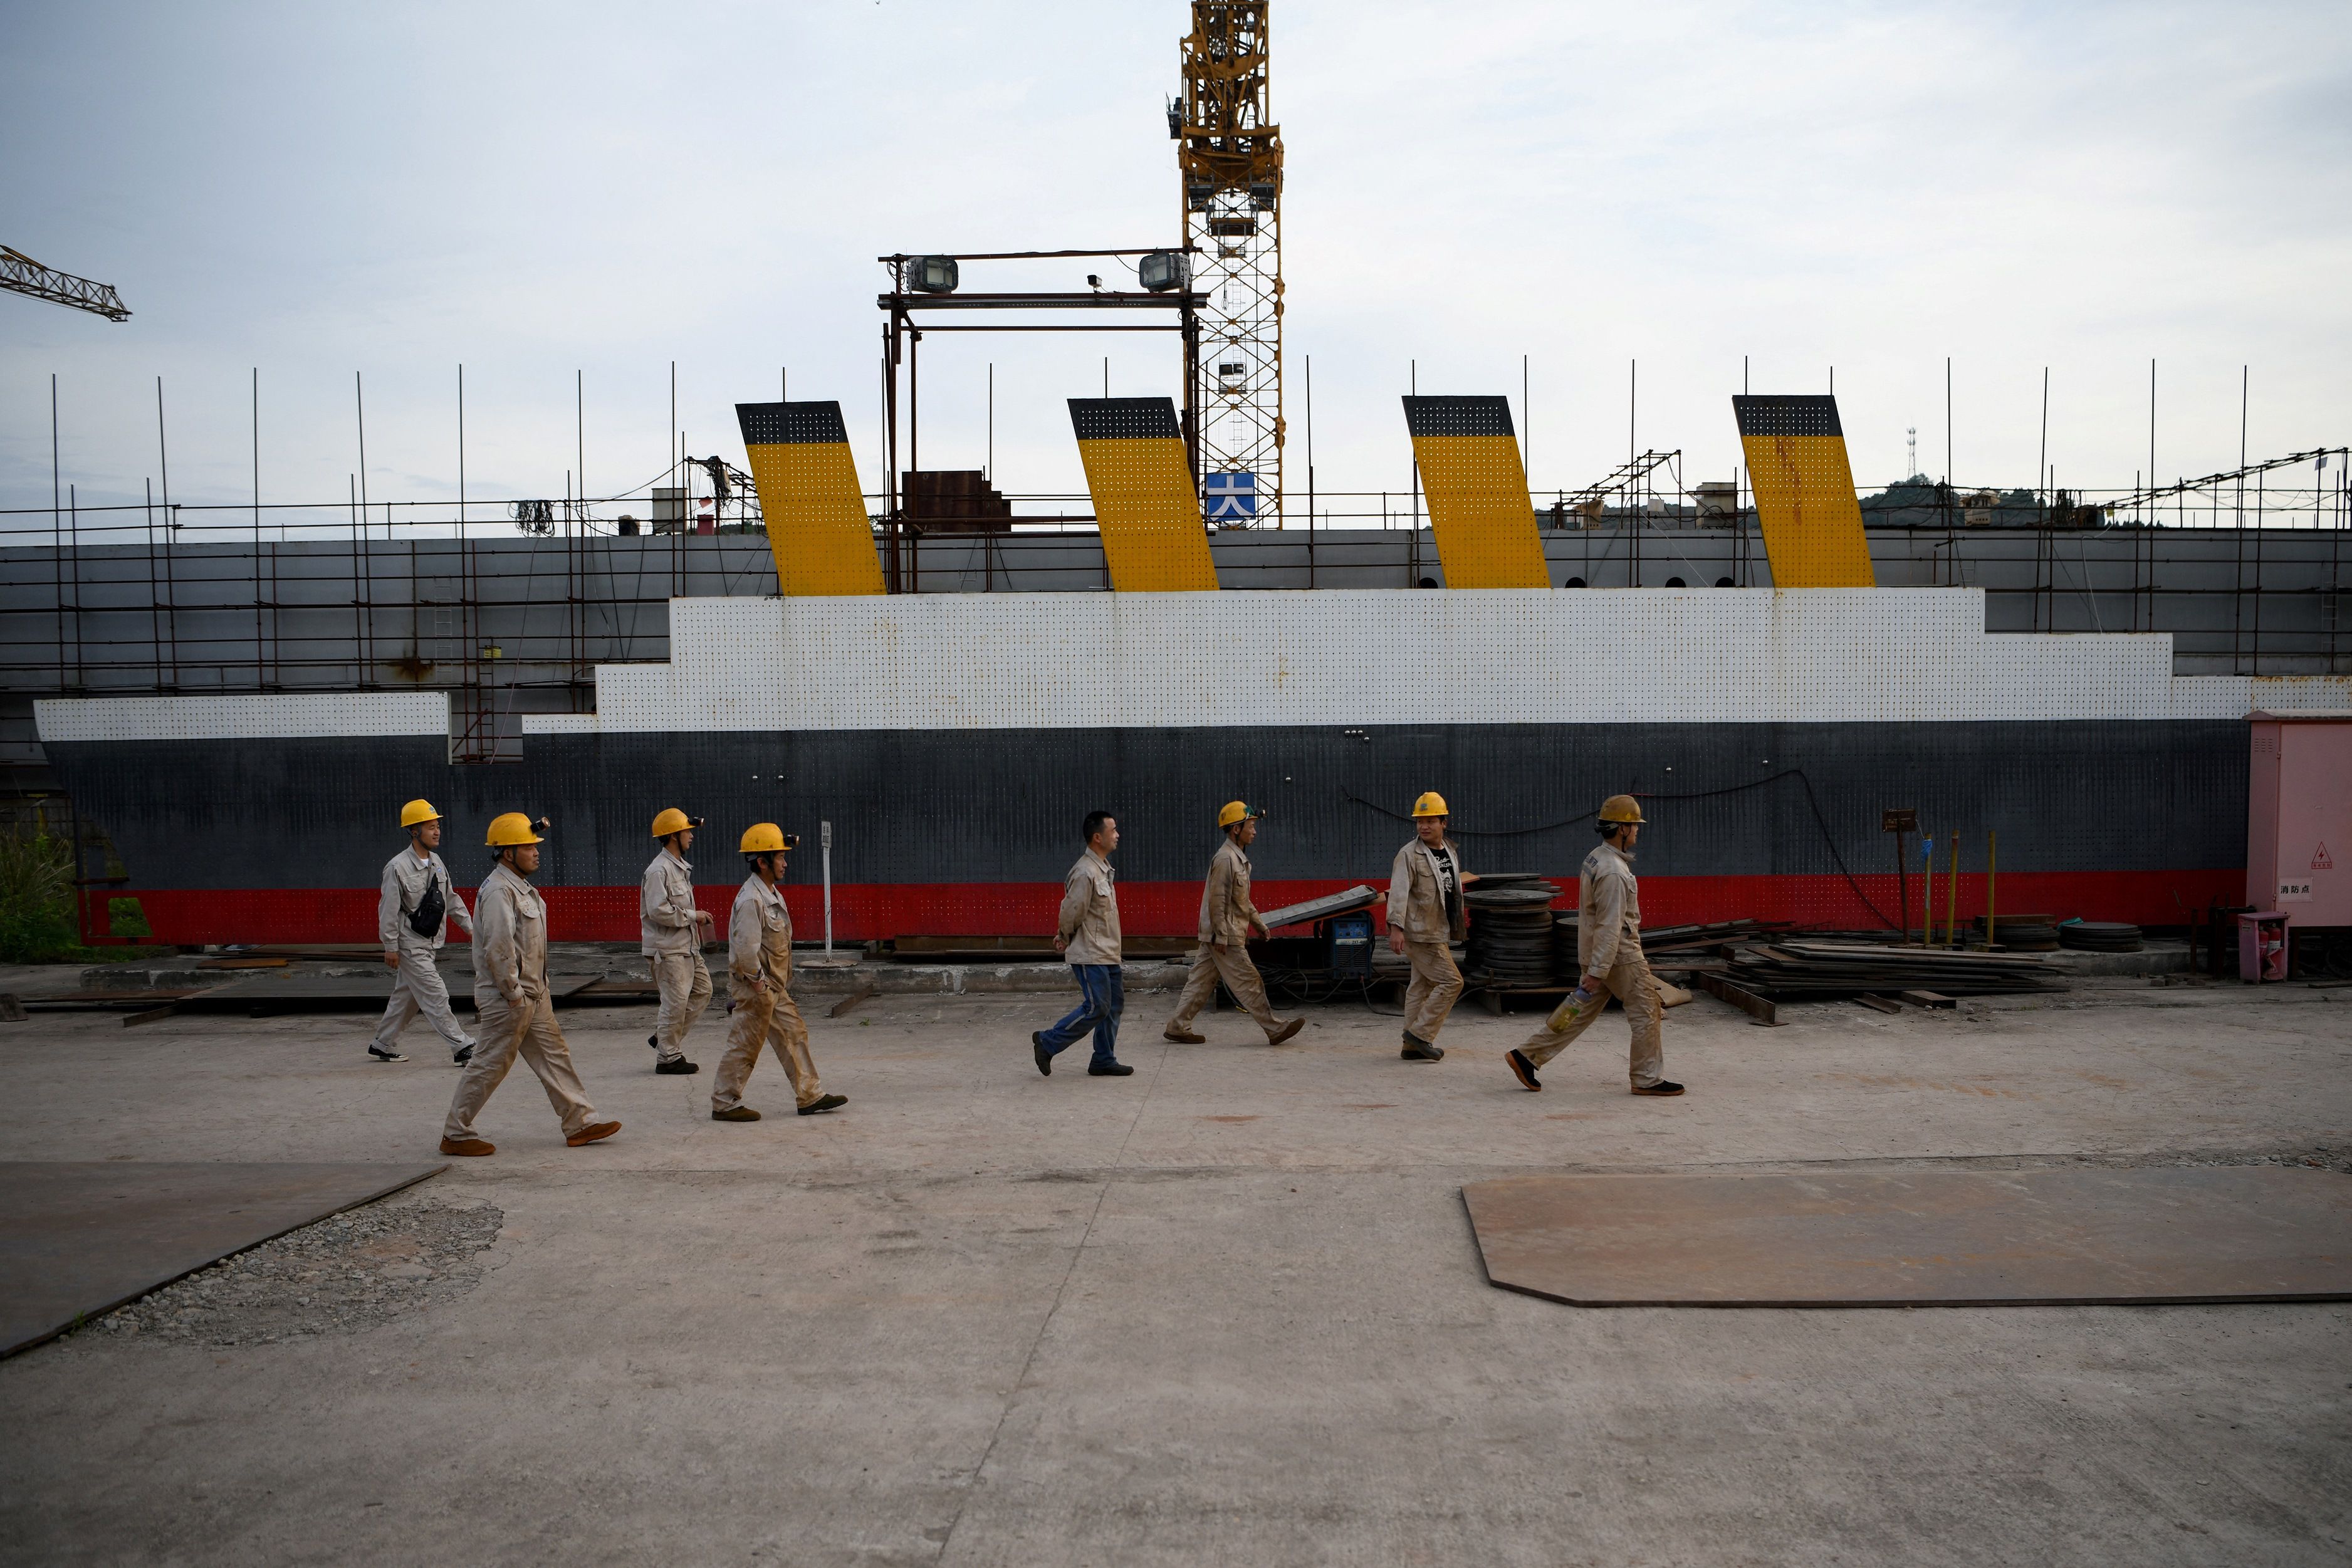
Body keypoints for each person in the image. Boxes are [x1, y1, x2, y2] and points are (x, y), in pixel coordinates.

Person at [441, 814, 620, 1156]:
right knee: (490, 1063)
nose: (536, 852)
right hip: (509, 999)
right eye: (527, 846)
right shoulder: (498, 891)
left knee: (555, 1057)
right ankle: (456, 1133)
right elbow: (498, 948)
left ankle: (580, 1122)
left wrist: (537, 990)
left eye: (535, 846)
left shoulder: (521, 888)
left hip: (534, 995)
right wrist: (513, 993)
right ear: (507, 853)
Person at [1505, 795, 1683, 1097]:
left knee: (1578, 1012)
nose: (1638, 831)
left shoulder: (1596, 857)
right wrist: (1600, 969)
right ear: (1622, 829)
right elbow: (1610, 923)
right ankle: (1646, 1078)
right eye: (1634, 826)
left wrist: (1595, 966)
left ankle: (1527, 1055)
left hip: (1599, 954)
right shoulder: (1614, 871)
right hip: (1620, 956)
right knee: (1646, 1011)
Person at [711, 823, 845, 1121]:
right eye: (780, 857)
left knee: (794, 1033)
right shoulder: (751, 900)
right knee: (745, 1043)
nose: (786, 863)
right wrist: (759, 988)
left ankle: (810, 1095)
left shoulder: (770, 893)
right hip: (757, 987)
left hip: (773, 987)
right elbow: (746, 951)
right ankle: (724, 1103)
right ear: (762, 862)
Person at [1164, 802, 1303, 1047]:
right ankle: (1275, 1028)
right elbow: (1217, 901)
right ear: (1236, 829)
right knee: (1249, 979)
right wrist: (1221, 935)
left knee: (1200, 982)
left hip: (1220, 933)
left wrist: (1259, 923)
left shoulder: (1237, 859)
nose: (1255, 831)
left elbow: (1241, 901)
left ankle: (1178, 1026)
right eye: (1251, 826)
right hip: (1224, 935)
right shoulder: (1225, 859)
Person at [369, 798, 478, 1065]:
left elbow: (450, 899)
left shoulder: (437, 862)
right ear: (414, 831)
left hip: (429, 942)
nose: (437, 831)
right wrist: (390, 947)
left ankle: (382, 1044)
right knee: (435, 994)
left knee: (407, 997)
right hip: (409, 944)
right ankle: (461, 1046)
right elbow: (389, 910)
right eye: (430, 827)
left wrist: (470, 928)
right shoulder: (397, 867)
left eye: (438, 825)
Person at [1032, 810, 1131, 1078]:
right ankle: (1048, 1042)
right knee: (1097, 1006)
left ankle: (1103, 1059)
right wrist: (1063, 936)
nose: (1117, 834)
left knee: (1113, 1006)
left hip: (1108, 952)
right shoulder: (1085, 872)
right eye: (1113, 830)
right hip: (1090, 953)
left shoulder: (1103, 869)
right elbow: (1072, 910)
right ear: (1098, 837)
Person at [1387, 792, 1475, 1060]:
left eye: (1430, 821)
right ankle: (1420, 1035)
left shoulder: (1449, 851)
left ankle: (1410, 1047)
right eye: (1420, 821)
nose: (1424, 826)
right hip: (1420, 933)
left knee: (1421, 986)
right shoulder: (1408, 855)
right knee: (1452, 982)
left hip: (1438, 929)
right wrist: (1396, 928)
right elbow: (1399, 892)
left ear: (1443, 823)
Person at [640, 807, 713, 1075]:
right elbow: (658, 910)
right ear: (673, 836)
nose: (691, 837)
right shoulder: (658, 871)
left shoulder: (678, 868)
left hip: (687, 946)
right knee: (675, 1002)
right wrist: (694, 916)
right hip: (668, 950)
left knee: (704, 991)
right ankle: (668, 1058)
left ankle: (664, 1037)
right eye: (687, 832)